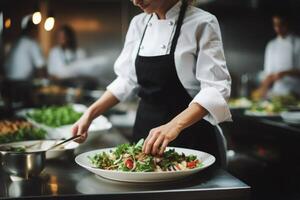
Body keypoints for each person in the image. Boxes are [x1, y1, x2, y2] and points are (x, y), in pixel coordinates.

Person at [72, 0, 231, 163]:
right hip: (145, 135)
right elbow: (127, 80)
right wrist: (90, 114)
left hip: (190, 137)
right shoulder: (138, 23)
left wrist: (174, 126)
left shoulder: (202, 22)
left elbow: (215, 89)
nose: (135, 2)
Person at [254, 12, 300, 99]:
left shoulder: (298, 43)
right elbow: (269, 74)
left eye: (281, 24)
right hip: (277, 93)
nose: (278, 28)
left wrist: (285, 73)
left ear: (287, 24)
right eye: (275, 25)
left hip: (296, 92)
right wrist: (262, 89)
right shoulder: (271, 45)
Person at [4, 15, 46, 80]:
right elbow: (40, 67)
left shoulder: (15, 42)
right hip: (23, 83)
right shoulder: (32, 44)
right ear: (32, 30)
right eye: (36, 30)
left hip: (8, 81)